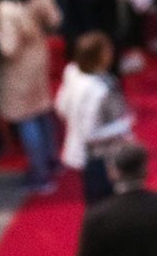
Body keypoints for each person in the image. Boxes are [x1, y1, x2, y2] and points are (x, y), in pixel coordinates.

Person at [0, 0, 64, 194]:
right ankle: (52, 160)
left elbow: (9, 49)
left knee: (27, 118)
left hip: (17, 67)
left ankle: (40, 174)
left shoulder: (6, 8)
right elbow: (55, 19)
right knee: (42, 110)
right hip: (39, 57)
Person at [55, 31, 135, 205]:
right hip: (98, 156)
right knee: (103, 201)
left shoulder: (72, 72)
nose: (111, 53)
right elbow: (90, 133)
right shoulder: (98, 91)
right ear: (98, 57)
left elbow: (61, 107)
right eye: (107, 50)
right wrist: (123, 125)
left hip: (81, 150)